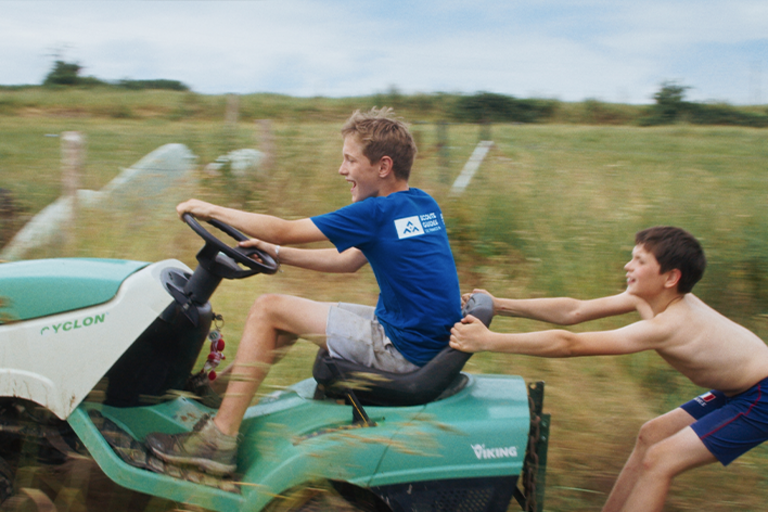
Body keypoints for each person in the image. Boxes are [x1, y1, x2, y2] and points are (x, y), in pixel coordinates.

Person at [146, 107, 462, 476]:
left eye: (349, 159)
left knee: (269, 309)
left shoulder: (376, 212)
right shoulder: (422, 203)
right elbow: (349, 261)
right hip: (421, 340)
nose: (341, 170)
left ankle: (218, 440)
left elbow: (283, 228)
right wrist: (276, 254)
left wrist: (207, 208)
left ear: (383, 166)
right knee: (283, 317)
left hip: (402, 350)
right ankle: (209, 392)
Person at [449, 226, 768, 512]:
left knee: (662, 460)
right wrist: (501, 304)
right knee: (651, 436)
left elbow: (570, 344)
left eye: (641, 261)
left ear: (670, 278)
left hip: (760, 396)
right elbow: (574, 310)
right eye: (633, 257)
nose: (629, 266)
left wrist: (489, 341)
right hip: (738, 389)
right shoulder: (649, 298)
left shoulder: (671, 325)